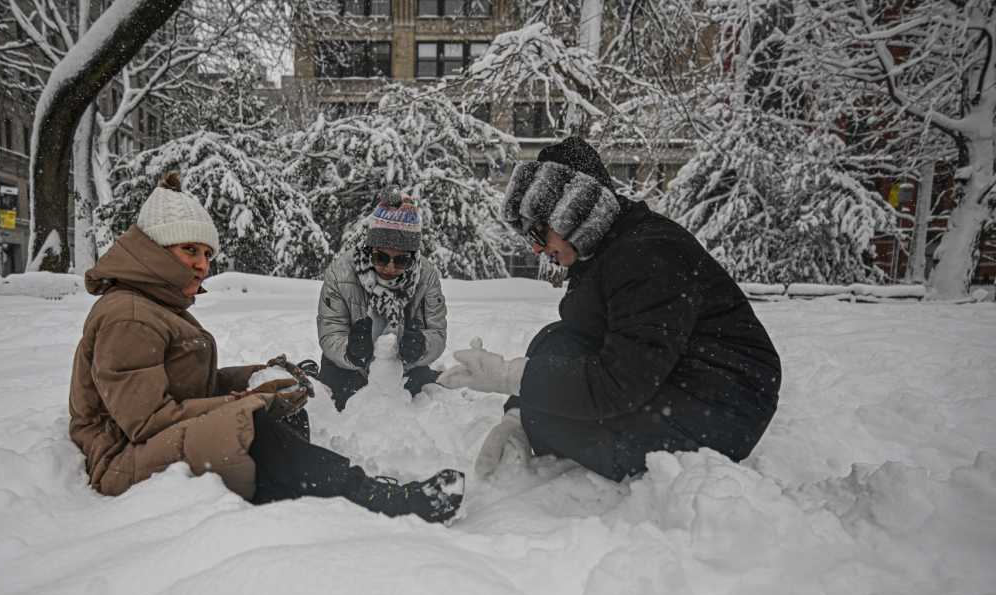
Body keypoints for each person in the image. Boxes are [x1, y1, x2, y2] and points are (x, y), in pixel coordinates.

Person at [68, 172, 463, 523]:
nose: (203, 265)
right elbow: (146, 421)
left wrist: (258, 376)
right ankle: (376, 497)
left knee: (283, 409)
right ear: (155, 250)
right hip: (122, 460)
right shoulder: (130, 317)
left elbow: (184, 387)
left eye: (207, 254)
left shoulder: (153, 306)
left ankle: (306, 492)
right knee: (252, 424)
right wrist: (246, 398)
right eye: (190, 251)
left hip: (154, 439)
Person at [439, 137, 782, 481]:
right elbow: (573, 341)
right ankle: (532, 420)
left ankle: (550, 427)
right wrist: (516, 414)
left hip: (724, 407)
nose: (535, 249)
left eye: (538, 233)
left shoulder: (647, 254)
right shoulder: (607, 248)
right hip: (679, 376)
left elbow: (619, 383)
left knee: (553, 419)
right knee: (554, 339)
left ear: (573, 211)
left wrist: (512, 380)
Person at [313, 190, 447, 411]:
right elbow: (331, 331)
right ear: (370, 249)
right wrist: (350, 351)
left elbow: (437, 332)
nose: (390, 267)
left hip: (406, 369)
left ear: (412, 256)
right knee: (337, 409)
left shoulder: (427, 275)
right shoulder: (340, 273)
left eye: (402, 260)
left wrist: (421, 346)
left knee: (421, 407)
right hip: (348, 368)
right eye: (381, 257)